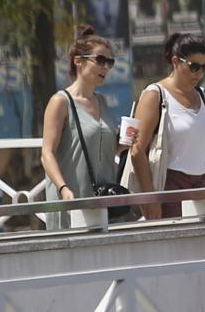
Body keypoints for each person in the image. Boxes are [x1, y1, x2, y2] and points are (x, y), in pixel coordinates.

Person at [128, 33, 205, 219]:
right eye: (194, 67)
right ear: (175, 61)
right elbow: (137, 150)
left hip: (199, 186)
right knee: (175, 246)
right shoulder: (155, 94)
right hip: (169, 187)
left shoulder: (201, 95)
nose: (199, 73)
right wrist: (151, 199)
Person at [40, 26, 136, 228]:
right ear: (78, 61)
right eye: (100, 60)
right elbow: (47, 153)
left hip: (101, 201)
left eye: (109, 62)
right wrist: (63, 188)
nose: (106, 67)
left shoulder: (102, 101)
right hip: (71, 201)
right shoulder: (60, 102)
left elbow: (103, 149)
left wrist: (124, 142)